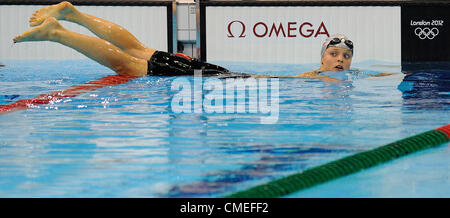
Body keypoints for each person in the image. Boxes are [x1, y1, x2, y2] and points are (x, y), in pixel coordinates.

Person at [13, 1, 232, 77]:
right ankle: (57, 33)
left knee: (137, 50)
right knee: (130, 65)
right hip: (209, 76)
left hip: (207, 71)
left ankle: (73, 15)